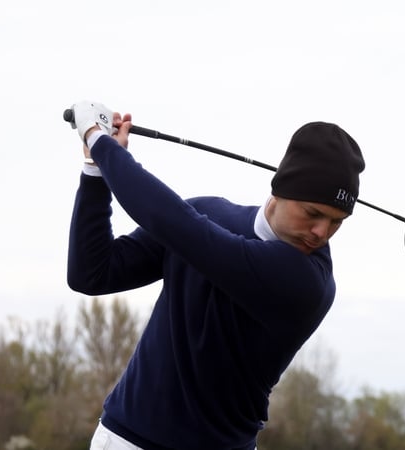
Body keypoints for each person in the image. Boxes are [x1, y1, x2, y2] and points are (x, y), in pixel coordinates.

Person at [66, 101, 365, 449]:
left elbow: (178, 225)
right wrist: (96, 171)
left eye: (336, 222)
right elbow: (92, 273)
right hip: (124, 439)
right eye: (313, 213)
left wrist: (99, 141)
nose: (321, 232)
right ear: (282, 189)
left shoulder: (306, 281)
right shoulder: (208, 214)